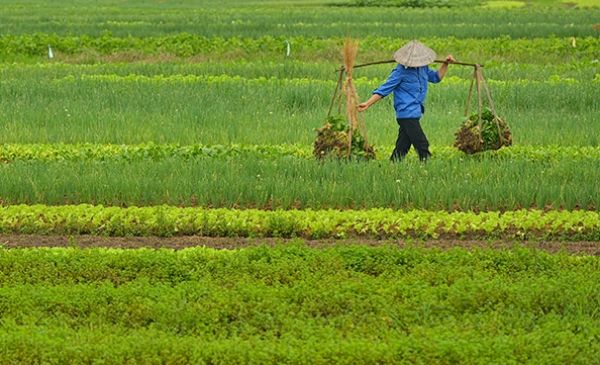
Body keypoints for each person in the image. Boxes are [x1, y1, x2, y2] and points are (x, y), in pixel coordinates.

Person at [358, 41, 455, 161]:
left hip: (416, 112)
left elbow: (436, 77)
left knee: (402, 146)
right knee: (422, 144)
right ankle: (428, 166)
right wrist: (367, 103)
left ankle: (394, 165)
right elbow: (384, 89)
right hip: (406, 113)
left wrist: (446, 64)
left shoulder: (423, 68)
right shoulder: (400, 72)